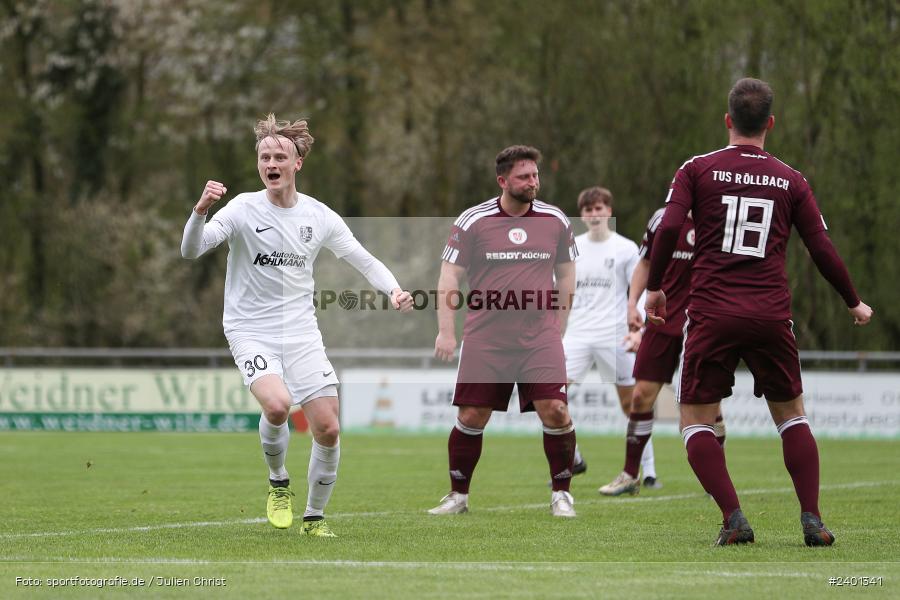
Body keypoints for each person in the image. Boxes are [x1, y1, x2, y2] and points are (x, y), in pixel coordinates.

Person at [644, 78, 872, 546]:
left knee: (695, 419)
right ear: (770, 123)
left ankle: (734, 517)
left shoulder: (697, 168)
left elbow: (668, 228)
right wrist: (852, 300)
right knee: (791, 415)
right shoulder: (791, 179)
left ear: (728, 120)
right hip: (770, 312)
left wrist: (655, 288)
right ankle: (812, 518)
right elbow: (821, 247)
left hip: (711, 312)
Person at [181, 114, 413, 537]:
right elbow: (191, 249)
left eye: (279, 157)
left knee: (328, 427)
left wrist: (393, 290)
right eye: (264, 156)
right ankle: (278, 482)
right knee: (277, 405)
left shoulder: (319, 216)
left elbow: (362, 259)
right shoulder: (242, 209)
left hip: (302, 333)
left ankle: (314, 518)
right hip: (249, 329)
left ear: (297, 163)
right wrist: (200, 210)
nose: (271, 163)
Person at [429, 145, 579, 518]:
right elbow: (449, 276)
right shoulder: (472, 221)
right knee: (472, 416)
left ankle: (561, 493)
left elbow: (566, 274)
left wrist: (559, 324)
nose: (533, 183)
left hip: (538, 337)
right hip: (486, 337)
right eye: (524, 177)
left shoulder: (555, 220)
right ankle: (458, 496)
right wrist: (446, 332)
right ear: (503, 181)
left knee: (557, 410)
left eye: (535, 175)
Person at [598, 207, 726, 496]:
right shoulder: (663, 219)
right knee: (641, 396)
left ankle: (717, 478)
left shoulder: (723, 215)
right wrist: (632, 304)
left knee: (709, 406)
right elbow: (645, 263)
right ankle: (630, 475)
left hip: (705, 322)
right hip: (662, 319)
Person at [562, 187, 660, 490]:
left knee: (633, 403)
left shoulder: (626, 248)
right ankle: (573, 457)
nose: (594, 214)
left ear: (609, 211)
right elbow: (561, 292)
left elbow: (640, 290)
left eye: (600, 208)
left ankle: (648, 471)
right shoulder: (571, 247)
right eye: (589, 210)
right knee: (551, 394)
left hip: (615, 335)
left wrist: (639, 329)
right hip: (576, 334)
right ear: (582, 214)